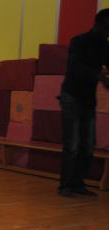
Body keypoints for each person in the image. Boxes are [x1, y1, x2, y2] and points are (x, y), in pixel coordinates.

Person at [58, 8, 109, 198]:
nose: (108, 33)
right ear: (98, 24)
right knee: (72, 144)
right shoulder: (78, 42)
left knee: (88, 145)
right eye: (107, 29)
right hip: (71, 97)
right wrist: (101, 77)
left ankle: (78, 184)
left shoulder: (105, 46)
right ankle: (65, 186)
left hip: (88, 100)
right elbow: (76, 67)